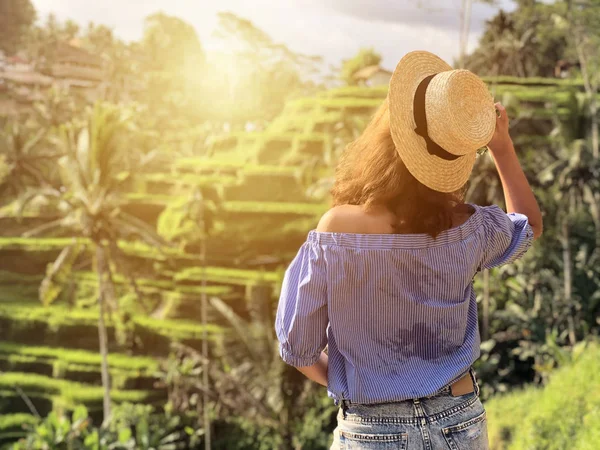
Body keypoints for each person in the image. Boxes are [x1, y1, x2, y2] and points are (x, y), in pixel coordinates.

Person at [274, 50, 542, 449]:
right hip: (460, 418)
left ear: (389, 136)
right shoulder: (470, 227)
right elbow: (529, 227)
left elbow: (297, 346)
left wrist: (357, 379)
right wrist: (502, 148)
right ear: (457, 156)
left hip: (370, 429)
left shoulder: (337, 230)